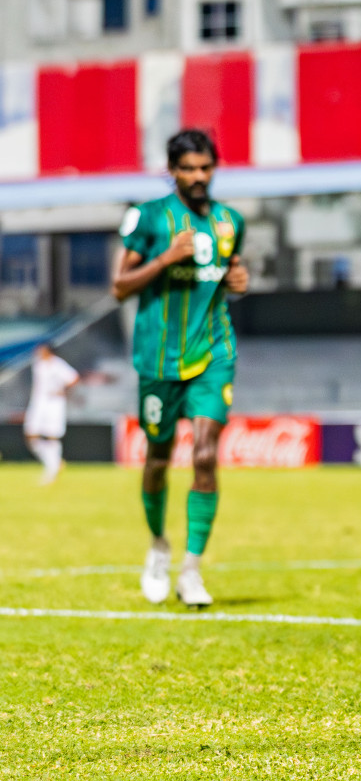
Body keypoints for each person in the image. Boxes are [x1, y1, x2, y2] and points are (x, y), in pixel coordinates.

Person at [112, 129, 247, 608]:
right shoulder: (148, 218)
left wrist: (238, 279)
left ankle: (191, 569)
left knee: (207, 455)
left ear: (215, 168)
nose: (197, 176)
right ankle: (158, 545)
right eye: (188, 168)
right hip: (158, 361)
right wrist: (166, 258)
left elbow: (227, 274)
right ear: (172, 170)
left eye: (205, 167)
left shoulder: (231, 221)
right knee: (157, 460)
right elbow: (120, 286)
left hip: (213, 354)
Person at [23, 342, 80, 485]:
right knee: (31, 434)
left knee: (52, 435)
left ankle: (52, 469)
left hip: (54, 405)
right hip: (38, 404)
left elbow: (74, 378)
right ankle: (53, 461)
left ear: (48, 351)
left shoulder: (58, 365)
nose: (38, 352)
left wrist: (63, 390)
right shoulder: (38, 364)